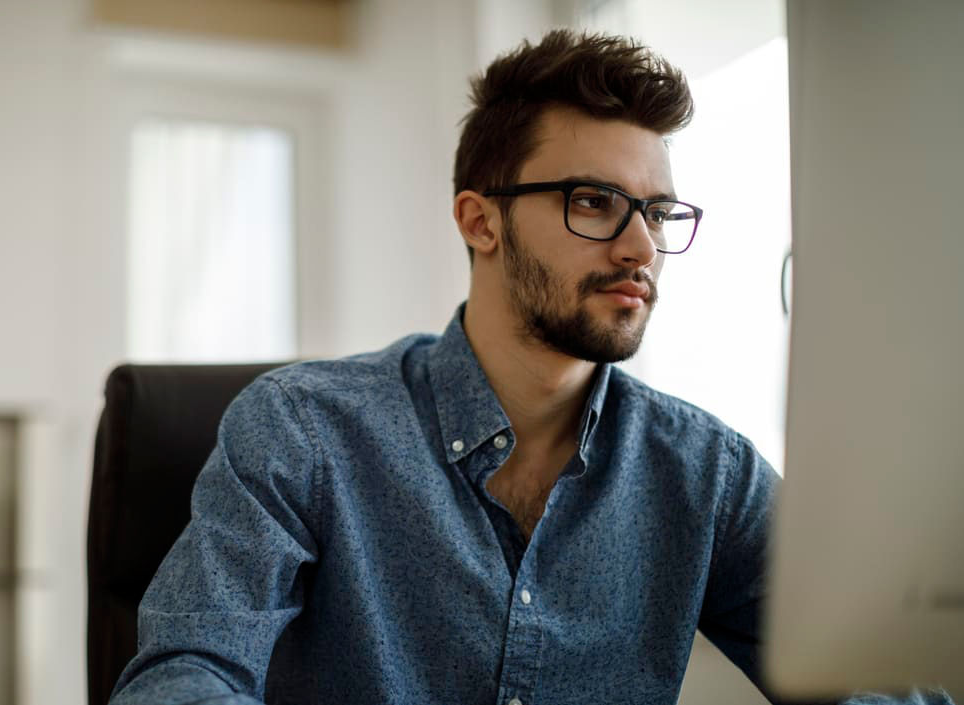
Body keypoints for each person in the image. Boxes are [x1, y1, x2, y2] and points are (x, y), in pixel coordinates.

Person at [110, 30, 953, 705]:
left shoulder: (706, 474)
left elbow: (872, 683)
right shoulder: (303, 428)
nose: (640, 247)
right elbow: (187, 672)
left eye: (658, 212)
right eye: (594, 202)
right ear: (480, 221)